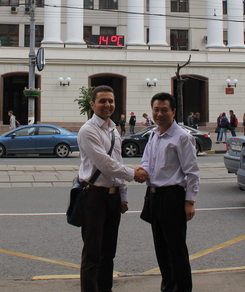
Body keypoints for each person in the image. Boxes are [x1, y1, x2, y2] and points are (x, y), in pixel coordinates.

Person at [77, 85, 147, 292]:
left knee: (108, 253)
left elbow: (117, 160)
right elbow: (105, 164)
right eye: (102, 101)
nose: (107, 105)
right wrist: (134, 174)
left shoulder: (113, 128)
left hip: (112, 198)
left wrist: (123, 195)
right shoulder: (88, 130)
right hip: (94, 198)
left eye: (111, 101)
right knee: (92, 254)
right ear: (92, 105)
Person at [136, 92, 200, 292]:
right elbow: (146, 159)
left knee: (176, 251)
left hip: (173, 198)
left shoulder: (182, 137)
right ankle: (168, 288)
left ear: (173, 111)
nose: (160, 114)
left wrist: (189, 201)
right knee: (162, 251)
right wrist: (143, 170)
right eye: (156, 109)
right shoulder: (154, 134)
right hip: (154, 197)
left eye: (164, 110)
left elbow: (192, 172)